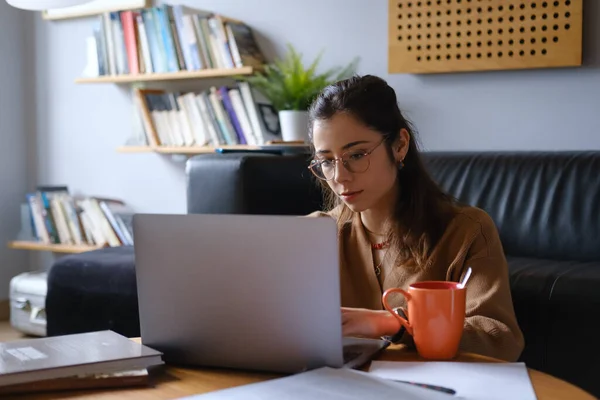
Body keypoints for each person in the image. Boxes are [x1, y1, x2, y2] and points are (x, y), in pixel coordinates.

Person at [306, 74, 524, 362]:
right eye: (326, 161)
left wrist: (397, 325)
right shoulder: (312, 233)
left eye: (356, 155)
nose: (339, 176)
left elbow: (499, 338)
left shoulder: (466, 231)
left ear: (399, 145)